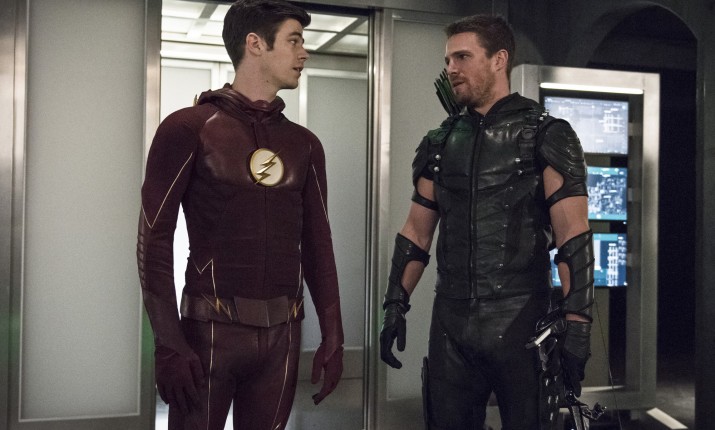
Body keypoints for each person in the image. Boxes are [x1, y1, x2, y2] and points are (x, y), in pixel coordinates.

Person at [379, 14, 594, 430]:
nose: (451, 69)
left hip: (522, 323)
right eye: (448, 60)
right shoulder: (439, 142)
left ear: (499, 59)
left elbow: (573, 235)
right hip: (451, 325)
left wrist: (578, 325)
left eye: (462, 57)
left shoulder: (547, 134)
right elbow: (416, 233)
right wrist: (393, 304)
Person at [136, 1, 343, 429]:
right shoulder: (189, 128)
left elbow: (318, 244)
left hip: (283, 335)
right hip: (209, 333)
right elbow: (154, 241)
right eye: (294, 41)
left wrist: (333, 334)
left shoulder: (304, 145)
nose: (304, 53)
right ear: (255, 44)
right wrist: (168, 343)